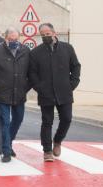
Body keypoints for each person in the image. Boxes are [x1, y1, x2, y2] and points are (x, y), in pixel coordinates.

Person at [29, 23, 81, 162]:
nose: (45, 37)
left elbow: (76, 66)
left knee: (67, 118)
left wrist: (72, 84)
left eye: (47, 34)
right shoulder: (35, 52)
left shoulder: (67, 48)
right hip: (45, 93)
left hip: (65, 91)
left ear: (54, 33)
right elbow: (32, 74)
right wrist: (39, 87)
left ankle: (57, 141)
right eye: (43, 35)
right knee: (47, 122)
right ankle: (47, 151)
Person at [0, 27, 30, 163]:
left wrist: (26, 87)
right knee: (5, 122)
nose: (13, 41)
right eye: (10, 39)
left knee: (18, 120)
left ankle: (8, 143)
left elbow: (31, 71)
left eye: (16, 39)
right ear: (5, 38)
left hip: (20, 93)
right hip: (2, 93)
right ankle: (6, 152)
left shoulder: (25, 51)